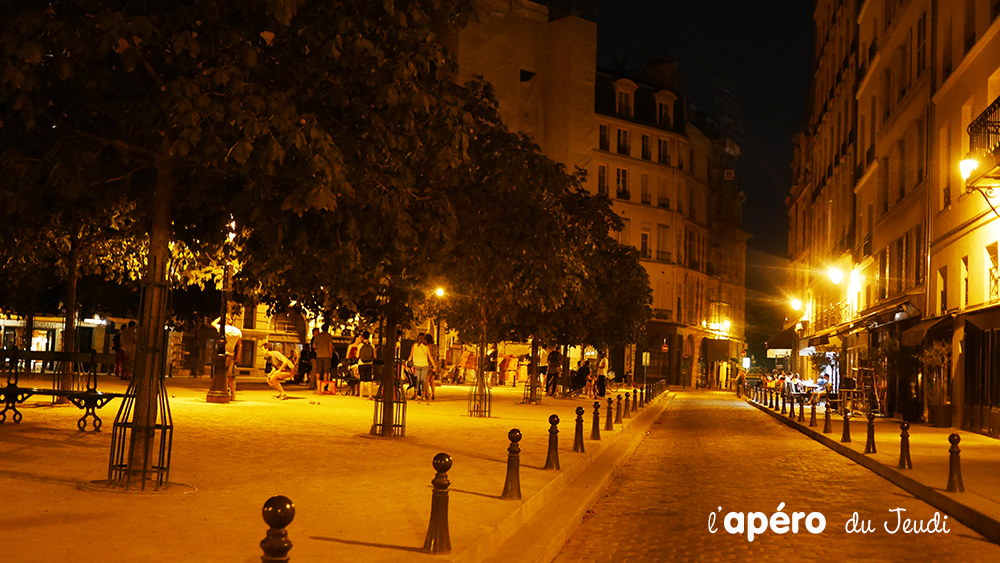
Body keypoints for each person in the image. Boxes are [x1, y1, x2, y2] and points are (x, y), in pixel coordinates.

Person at [211, 316, 243, 400]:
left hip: (222, 353)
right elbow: (240, 345)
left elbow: (213, 323)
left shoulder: (223, 329)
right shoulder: (237, 331)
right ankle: (233, 394)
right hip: (231, 354)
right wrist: (238, 356)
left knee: (220, 374)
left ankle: (223, 391)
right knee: (230, 376)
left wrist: (221, 317)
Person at [408, 334, 437, 400]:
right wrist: (434, 365)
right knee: (424, 380)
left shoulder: (414, 346)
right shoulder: (426, 347)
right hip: (424, 365)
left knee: (417, 380)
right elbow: (430, 357)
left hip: (416, 365)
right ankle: (423, 395)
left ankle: (415, 395)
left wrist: (407, 362)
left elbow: (411, 356)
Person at [311, 324, 335, 391]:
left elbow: (314, 346)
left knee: (318, 371)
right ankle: (324, 386)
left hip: (319, 356)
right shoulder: (328, 336)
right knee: (325, 371)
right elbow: (330, 346)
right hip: (326, 355)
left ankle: (318, 386)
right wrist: (331, 354)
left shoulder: (318, 336)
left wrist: (317, 351)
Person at [357, 331, 377, 398]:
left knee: (362, 380)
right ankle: (370, 395)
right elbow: (375, 356)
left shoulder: (360, 345)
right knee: (369, 380)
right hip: (369, 364)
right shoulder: (372, 345)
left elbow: (357, 356)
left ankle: (361, 395)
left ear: (362, 337)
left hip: (361, 363)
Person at [424, 334, 439, 400]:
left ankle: (427, 394)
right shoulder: (436, 346)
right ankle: (434, 394)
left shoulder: (427, 346)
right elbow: (437, 355)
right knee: (432, 380)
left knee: (426, 380)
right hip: (435, 364)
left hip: (428, 364)